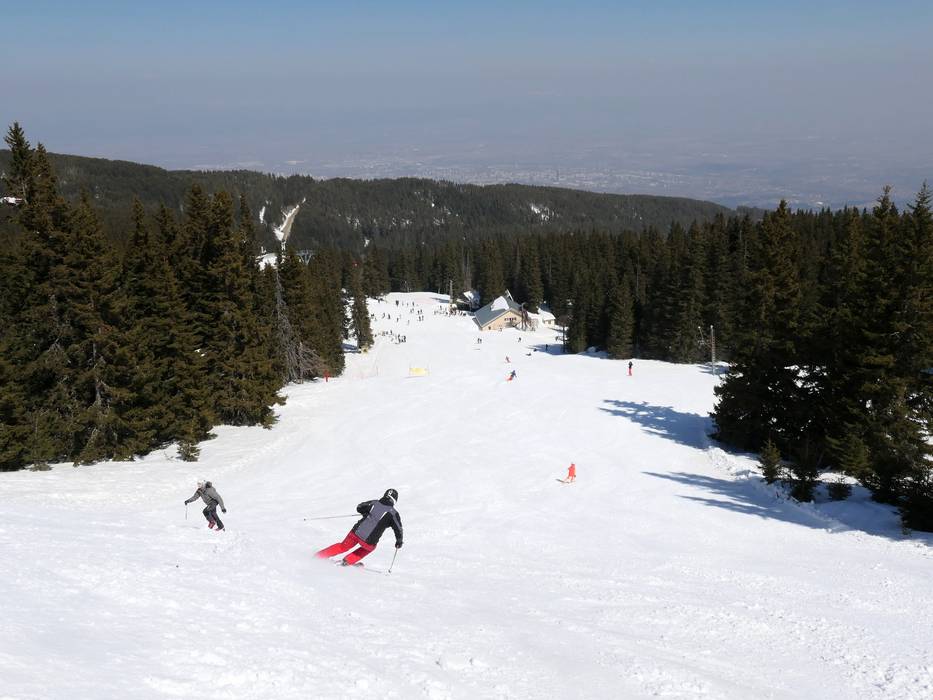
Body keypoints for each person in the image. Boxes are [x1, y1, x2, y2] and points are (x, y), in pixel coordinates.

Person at [316, 489, 403, 566]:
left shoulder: (374, 503)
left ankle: (319, 556)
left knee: (343, 546)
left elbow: (359, 507)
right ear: (395, 500)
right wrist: (399, 541)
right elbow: (398, 529)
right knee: (370, 548)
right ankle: (347, 561)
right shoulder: (393, 513)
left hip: (356, 532)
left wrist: (365, 512)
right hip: (369, 541)